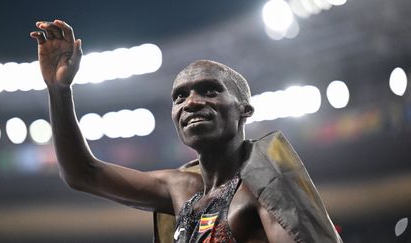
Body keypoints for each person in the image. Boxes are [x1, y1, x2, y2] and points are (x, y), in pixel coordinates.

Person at [30, 20, 342, 243]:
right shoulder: (180, 188)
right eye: (180, 96)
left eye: (209, 90)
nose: (191, 102)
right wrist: (58, 90)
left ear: (244, 109)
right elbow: (82, 173)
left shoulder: (265, 187)